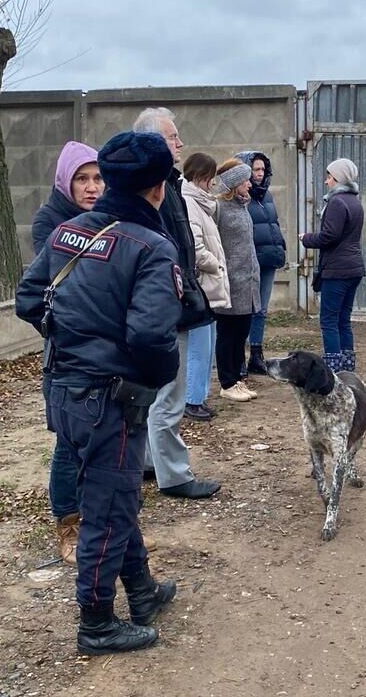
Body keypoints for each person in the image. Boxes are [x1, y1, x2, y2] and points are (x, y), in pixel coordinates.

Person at [16, 130, 183, 655]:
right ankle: (96, 622)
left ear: (109, 179)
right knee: (108, 510)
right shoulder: (153, 247)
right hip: (112, 399)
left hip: (63, 391)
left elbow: (28, 300)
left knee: (112, 497)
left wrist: (72, 341)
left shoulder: (67, 232)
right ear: (157, 187)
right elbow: (152, 338)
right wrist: (151, 376)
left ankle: (142, 590)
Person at [133, 107, 221, 500]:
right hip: (166, 306)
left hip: (173, 301)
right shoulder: (150, 189)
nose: (181, 144)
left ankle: (151, 463)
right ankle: (175, 475)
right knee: (169, 394)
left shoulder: (168, 185)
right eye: (173, 137)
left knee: (161, 392)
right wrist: (180, 290)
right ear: (152, 143)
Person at [30, 141, 103, 566]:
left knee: (104, 438)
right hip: (68, 348)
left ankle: (103, 521)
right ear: (65, 180)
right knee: (70, 440)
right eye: (82, 178)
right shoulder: (51, 221)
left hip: (106, 348)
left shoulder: (108, 218)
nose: (91, 187)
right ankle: (68, 524)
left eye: (97, 178)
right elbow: (53, 285)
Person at [300, 158, 365, 373]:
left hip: (338, 269)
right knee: (343, 320)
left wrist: (306, 238)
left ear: (338, 179)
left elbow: (329, 236)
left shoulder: (337, 203)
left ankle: (333, 371)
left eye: (329, 177)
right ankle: (347, 370)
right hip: (354, 267)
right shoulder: (355, 201)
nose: (326, 181)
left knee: (329, 321)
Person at [181, 153, 229, 422]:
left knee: (208, 345)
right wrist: (216, 266)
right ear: (201, 177)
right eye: (210, 178)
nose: (213, 184)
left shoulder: (202, 203)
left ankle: (199, 397)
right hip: (201, 285)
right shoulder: (190, 203)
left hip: (208, 286)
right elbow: (196, 248)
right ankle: (191, 400)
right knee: (199, 347)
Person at [213, 158, 263, 401]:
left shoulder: (243, 206)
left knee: (242, 331)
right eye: (245, 180)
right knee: (227, 333)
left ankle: (237, 379)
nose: (250, 185)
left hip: (248, 280)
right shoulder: (219, 208)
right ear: (234, 183)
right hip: (230, 280)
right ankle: (227, 381)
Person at [236, 151, 287, 377]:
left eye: (262, 170)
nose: (259, 174)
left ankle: (256, 354)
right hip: (248, 260)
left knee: (261, 310)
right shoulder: (239, 198)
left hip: (268, 258)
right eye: (254, 169)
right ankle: (237, 355)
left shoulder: (267, 196)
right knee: (242, 309)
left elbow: (272, 224)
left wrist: (279, 248)